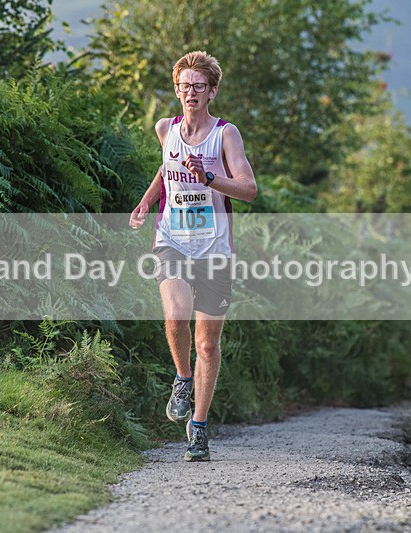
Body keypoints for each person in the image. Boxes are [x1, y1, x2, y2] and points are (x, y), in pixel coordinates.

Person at [129, 51, 257, 461]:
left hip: (214, 248)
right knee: (175, 314)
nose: (191, 93)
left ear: (212, 91)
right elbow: (165, 169)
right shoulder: (165, 128)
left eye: (199, 86)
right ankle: (182, 379)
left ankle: (198, 427)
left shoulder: (226, 135)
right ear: (177, 89)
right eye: (184, 86)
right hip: (173, 239)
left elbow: (249, 189)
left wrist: (208, 177)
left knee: (207, 345)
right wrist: (147, 201)